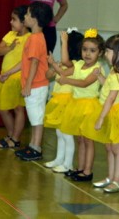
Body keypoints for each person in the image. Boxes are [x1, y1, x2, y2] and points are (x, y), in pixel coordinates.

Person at [80, 33, 119, 193]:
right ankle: (110, 177)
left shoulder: (118, 74)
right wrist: (100, 77)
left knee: (116, 149)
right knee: (109, 147)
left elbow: (111, 99)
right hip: (110, 112)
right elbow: (108, 88)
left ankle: (117, 180)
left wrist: (100, 118)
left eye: (108, 52)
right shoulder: (114, 71)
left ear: (118, 54)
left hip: (114, 114)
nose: (105, 55)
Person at [51, 28, 105, 181]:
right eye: (85, 49)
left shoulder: (97, 69)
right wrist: (54, 66)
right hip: (76, 105)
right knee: (80, 139)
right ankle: (79, 167)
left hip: (89, 107)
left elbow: (84, 83)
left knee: (88, 140)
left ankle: (88, 171)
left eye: (92, 51)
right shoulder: (79, 64)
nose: (87, 53)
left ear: (100, 53)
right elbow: (64, 71)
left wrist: (66, 80)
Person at [14, 2, 53, 161]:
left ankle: (36, 148)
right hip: (34, 85)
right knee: (34, 116)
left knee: (36, 118)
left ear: (35, 19)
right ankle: (32, 145)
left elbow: (35, 63)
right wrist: (8, 73)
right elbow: (26, 62)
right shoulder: (34, 37)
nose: (25, 16)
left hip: (36, 85)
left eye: (28, 14)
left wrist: (28, 85)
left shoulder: (36, 39)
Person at [43, 29, 83, 173]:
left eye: (64, 45)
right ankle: (59, 159)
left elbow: (66, 66)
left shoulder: (74, 65)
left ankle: (68, 164)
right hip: (58, 101)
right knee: (59, 133)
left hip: (68, 102)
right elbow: (48, 75)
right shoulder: (63, 64)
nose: (62, 47)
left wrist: (57, 64)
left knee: (67, 134)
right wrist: (53, 64)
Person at [0, 5, 30, 148]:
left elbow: (26, 61)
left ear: (24, 22)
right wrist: (9, 48)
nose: (11, 22)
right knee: (2, 108)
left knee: (17, 108)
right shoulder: (10, 35)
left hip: (17, 78)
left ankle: (15, 138)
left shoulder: (29, 38)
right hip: (4, 76)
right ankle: (11, 136)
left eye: (14, 19)